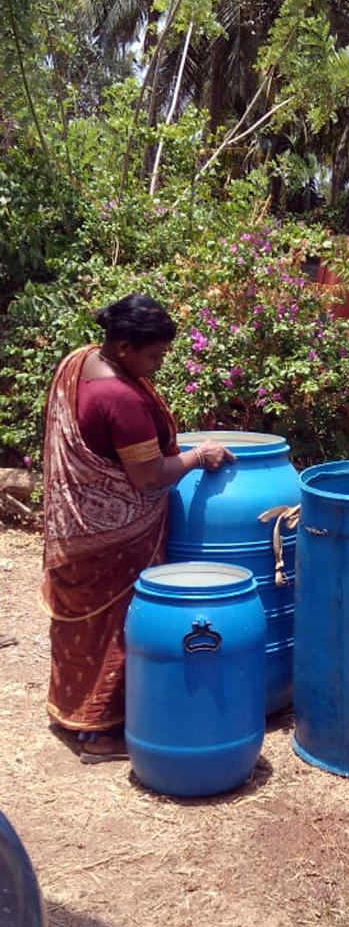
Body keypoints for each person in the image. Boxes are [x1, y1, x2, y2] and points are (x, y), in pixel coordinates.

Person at [41, 294, 235, 762]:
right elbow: (149, 476)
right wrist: (196, 456)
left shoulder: (82, 361)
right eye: (154, 355)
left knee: (81, 630)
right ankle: (102, 734)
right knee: (117, 627)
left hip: (75, 529)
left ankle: (73, 715)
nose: (160, 363)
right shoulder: (120, 398)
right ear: (125, 346)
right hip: (113, 542)